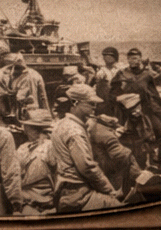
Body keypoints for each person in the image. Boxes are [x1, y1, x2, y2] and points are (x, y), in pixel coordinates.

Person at [50, 84, 123, 212]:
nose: (95, 108)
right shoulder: (75, 132)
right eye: (90, 104)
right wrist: (110, 190)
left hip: (64, 190)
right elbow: (87, 167)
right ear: (75, 102)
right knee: (120, 210)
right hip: (78, 194)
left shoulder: (62, 124)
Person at [7, 109, 58, 214]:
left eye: (26, 125)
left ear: (34, 129)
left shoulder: (50, 147)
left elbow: (60, 179)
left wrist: (55, 209)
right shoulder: (23, 148)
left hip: (44, 205)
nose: (23, 128)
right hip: (23, 204)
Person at [0, 52, 48, 127]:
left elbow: (20, 97)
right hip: (32, 109)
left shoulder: (28, 76)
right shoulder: (34, 73)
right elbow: (43, 97)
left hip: (27, 109)